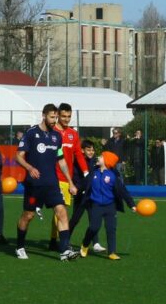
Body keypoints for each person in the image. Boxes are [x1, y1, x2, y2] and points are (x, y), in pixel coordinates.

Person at [14, 104, 79, 261]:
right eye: (52, 117)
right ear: (43, 115)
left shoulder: (56, 137)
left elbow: (61, 160)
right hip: (34, 184)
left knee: (62, 212)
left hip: (52, 184)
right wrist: (29, 168)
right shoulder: (31, 133)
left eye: (56, 117)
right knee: (28, 216)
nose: (54, 120)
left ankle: (64, 250)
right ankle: (20, 246)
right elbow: (18, 156)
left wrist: (70, 182)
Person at [79, 151, 136, 260]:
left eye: (101, 156)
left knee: (111, 229)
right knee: (93, 227)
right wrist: (74, 188)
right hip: (96, 205)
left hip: (110, 206)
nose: (98, 158)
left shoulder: (113, 176)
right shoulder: (93, 172)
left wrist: (131, 204)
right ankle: (85, 245)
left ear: (107, 161)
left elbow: (123, 191)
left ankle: (112, 252)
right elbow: (83, 183)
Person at [48, 103, 90, 251]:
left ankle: (54, 239)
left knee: (61, 210)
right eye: (64, 116)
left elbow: (78, 154)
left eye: (69, 116)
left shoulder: (73, 134)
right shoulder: (51, 131)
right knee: (60, 210)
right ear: (58, 115)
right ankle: (63, 242)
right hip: (53, 177)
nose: (66, 119)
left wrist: (85, 171)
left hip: (67, 178)